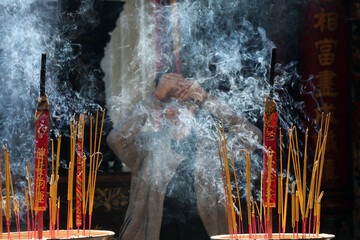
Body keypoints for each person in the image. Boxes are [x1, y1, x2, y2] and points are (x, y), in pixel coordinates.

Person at [107, 73, 262, 240]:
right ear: (162, 110)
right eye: (169, 102)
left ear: (195, 107)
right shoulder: (148, 148)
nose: (176, 110)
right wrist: (154, 98)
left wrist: (208, 99)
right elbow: (116, 140)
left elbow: (252, 137)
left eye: (185, 103)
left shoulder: (215, 148)